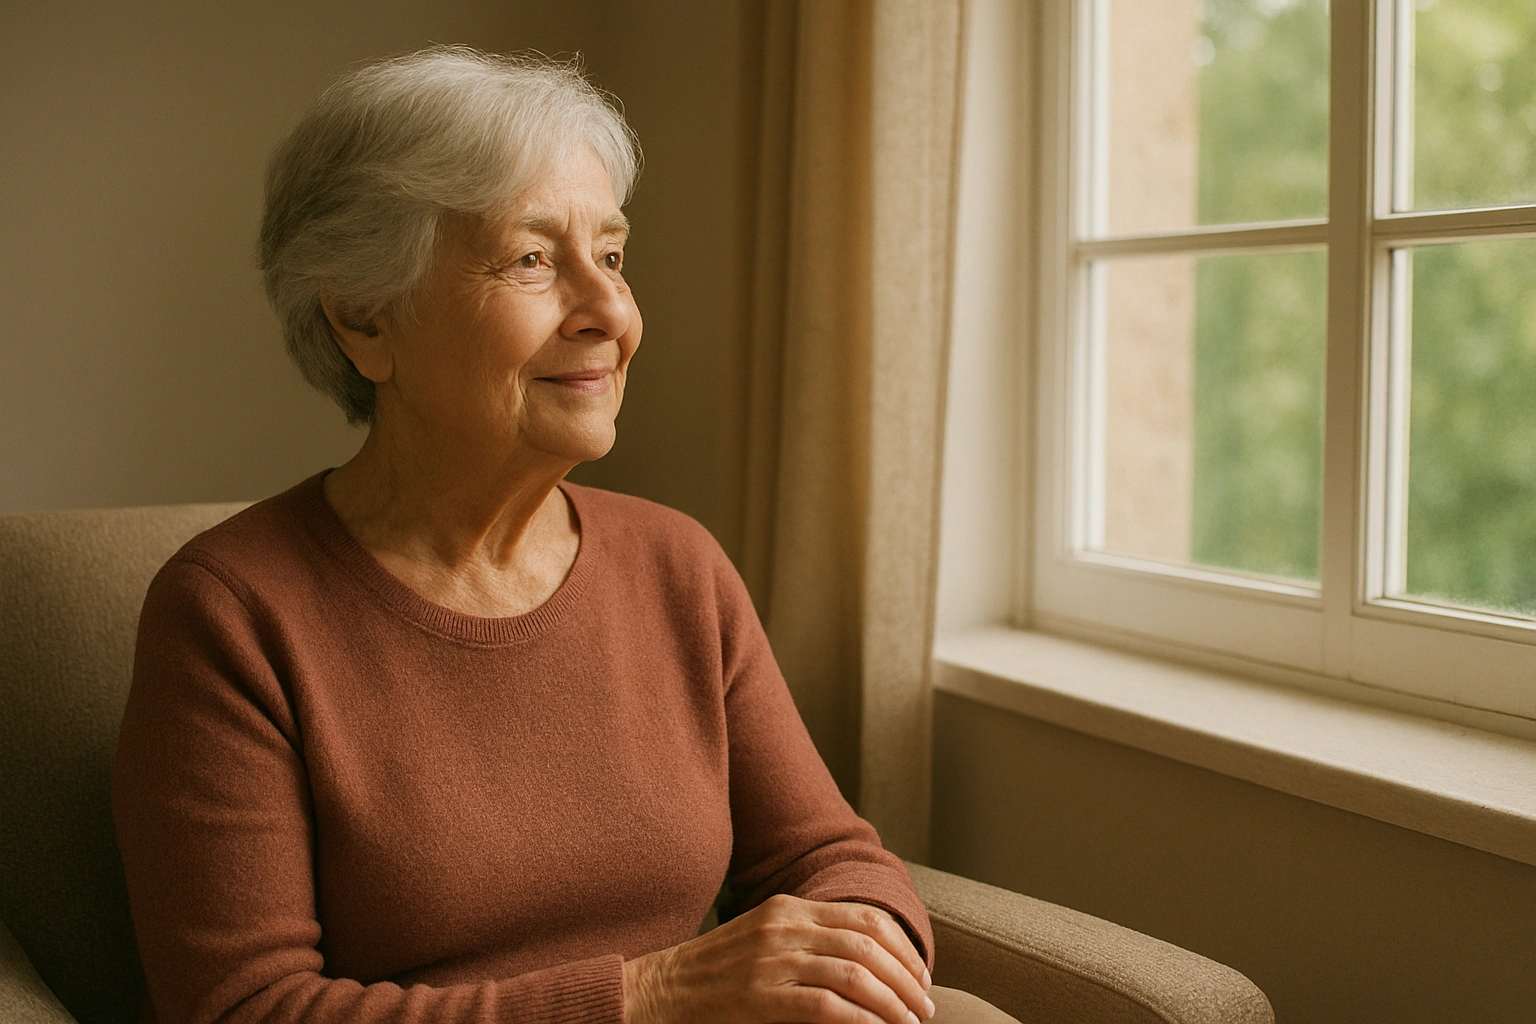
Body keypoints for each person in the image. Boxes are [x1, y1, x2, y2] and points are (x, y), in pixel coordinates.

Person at [112, 46, 985, 1024]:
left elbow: (833, 857)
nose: (612, 310)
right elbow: (245, 1010)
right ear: (365, 319)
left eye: (610, 256)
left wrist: (862, 958)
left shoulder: (678, 566)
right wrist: (649, 996)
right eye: (533, 259)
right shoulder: (231, 615)